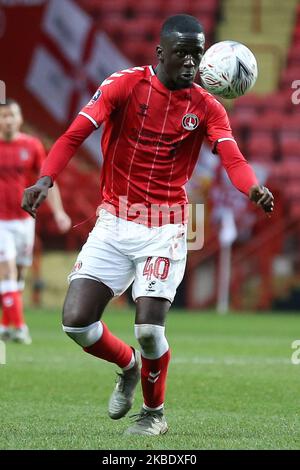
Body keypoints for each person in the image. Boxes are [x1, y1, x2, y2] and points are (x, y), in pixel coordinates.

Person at [22, 14, 274, 435]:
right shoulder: (124, 84)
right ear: (161, 53)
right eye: (183, 54)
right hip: (114, 221)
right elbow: (74, 134)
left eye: (198, 54)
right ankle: (127, 367)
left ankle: (154, 415)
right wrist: (45, 177)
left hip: (166, 227)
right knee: (76, 323)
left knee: (149, 329)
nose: (192, 63)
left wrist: (252, 187)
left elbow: (232, 157)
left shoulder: (207, 107)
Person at [0, 99, 71, 344]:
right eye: (3, 116)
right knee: (7, 270)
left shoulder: (31, 146)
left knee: (18, 274)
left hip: (24, 221)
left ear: (19, 119)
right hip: (1, 223)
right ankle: (19, 327)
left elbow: (47, 181)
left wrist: (59, 212)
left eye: (12, 115)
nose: (8, 120)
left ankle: (6, 325)